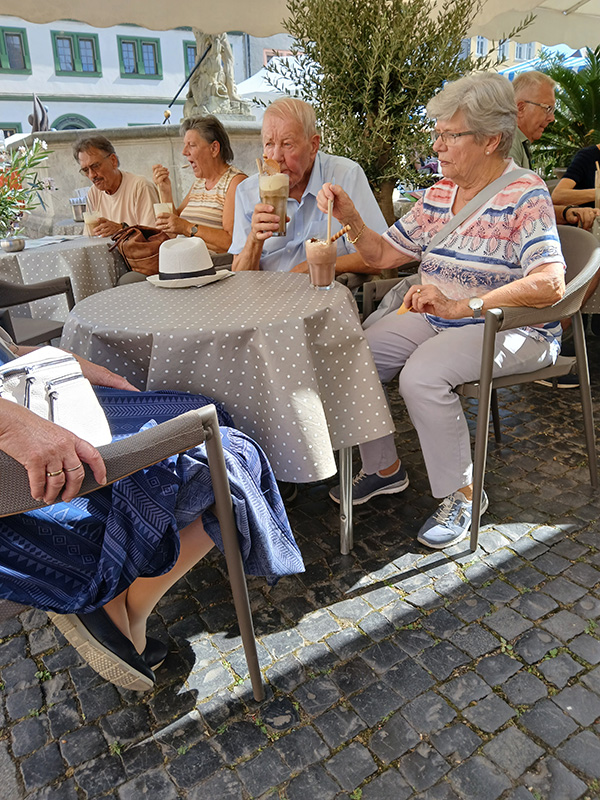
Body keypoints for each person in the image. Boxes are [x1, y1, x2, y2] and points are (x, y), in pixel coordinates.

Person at [322, 73, 566, 549]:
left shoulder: (526, 194)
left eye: (450, 135)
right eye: (436, 133)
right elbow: (383, 255)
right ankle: (384, 468)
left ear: (492, 139)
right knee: (354, 355)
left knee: (422, 375)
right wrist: (351, 217)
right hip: (441, 317)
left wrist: (463, 304)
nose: (438, 146)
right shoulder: (439, 194)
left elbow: (550, 282)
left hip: (513, 327)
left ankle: (465, 495)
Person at [0, 328, 303, 691]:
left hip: (24, 387)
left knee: (209, 412)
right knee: (224, 455)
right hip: (14, 448)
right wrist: (10, 425)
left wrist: (63, 363)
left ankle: (130, 606)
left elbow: (8, 346)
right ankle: (102, 578)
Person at [229, 97, 388, 274]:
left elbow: (377, 258)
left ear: (313, 146)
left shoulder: (344, 176)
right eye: (269, 144)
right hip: (265, 296)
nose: (276, 157)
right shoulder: (247, 191)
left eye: (287, 144)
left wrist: (311, 267)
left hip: (323, 295)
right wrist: (254, 239)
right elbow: (239, 275)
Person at [508, 71, 597, 230]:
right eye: (547, 108)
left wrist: (567, 212)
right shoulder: (508, 143)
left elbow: (526, 206)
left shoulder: (519, 142)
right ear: (520, 108)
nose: (552, 118)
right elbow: (511, 209)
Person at [152, 116, 246, 253]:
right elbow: (173, 229)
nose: (184, 152)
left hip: (213, 268)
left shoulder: (235, 183)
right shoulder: (200, 183)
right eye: (184, 145)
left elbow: (231, 242)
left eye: (192, 145)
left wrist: (186, 227)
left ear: (214, 148)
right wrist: (165, 190)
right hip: (182, 261)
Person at [74, 136, 159, 236]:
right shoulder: (94, 193)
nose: (92, 175)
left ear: (113, 161)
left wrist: (121, 229)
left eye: (95, 166)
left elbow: (153, 236)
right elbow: (90, 238)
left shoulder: (140, 187)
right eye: (86, 170)